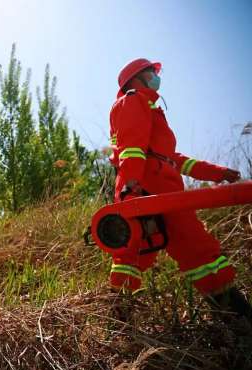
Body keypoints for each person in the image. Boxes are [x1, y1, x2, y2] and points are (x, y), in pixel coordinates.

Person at [108, 58, 252, 321]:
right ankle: (119, 320)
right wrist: (131, 187)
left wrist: (218, 173)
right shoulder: (133, 100)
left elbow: (176, 159)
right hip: (144, 188)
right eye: (151, 72)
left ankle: (231, 311)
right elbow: (131, 148)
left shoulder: (150, 109)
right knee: (133, 254)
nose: (156, 76)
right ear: (136, 78)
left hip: (165, 190)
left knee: (194, 247)